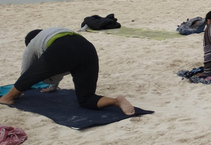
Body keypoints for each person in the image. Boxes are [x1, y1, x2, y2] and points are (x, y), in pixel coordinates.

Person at [0, 28, 135, 114]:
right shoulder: (54, 33)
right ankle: (116, 101)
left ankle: (7, 98)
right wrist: (52, 87)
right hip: (87, 49)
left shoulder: (33, 43)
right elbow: (58, 65)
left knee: (33, 73)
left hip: (62, 49)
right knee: (86, 99)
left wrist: (17, 93)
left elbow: (26, 73)